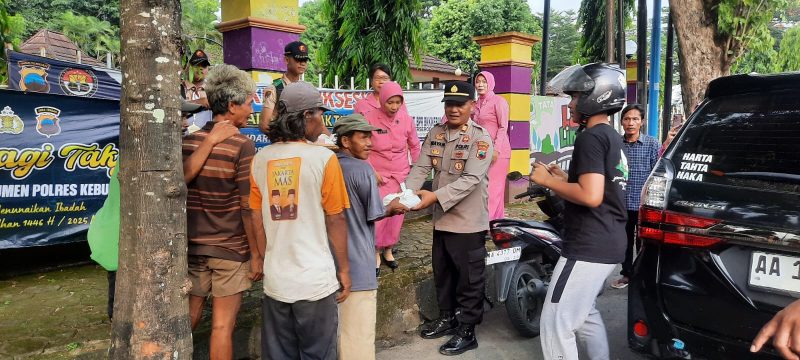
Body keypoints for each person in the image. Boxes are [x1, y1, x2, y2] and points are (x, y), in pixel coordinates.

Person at [87, 100, 240, 321]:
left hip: (123, 236)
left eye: (186, 117)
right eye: (180, 117)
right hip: (121, 240)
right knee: (125, 311)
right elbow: (177, 182)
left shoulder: (145, 146)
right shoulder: (149, 152)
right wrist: (211, 140)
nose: (185, 123)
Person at [529, 63, 628, 360]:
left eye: (574, 97)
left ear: (595, 97)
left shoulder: (590, 137)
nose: (571, 103)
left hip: (588, 246)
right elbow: (601, 187)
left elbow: (591, 196)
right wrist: (563, 179)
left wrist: (546, 181)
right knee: (585, 314)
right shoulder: (611, 136)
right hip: (610, 241)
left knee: (555, 322)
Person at [249, 81, 351, 360]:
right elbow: (336, 219)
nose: (323, 121)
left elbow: (255, 216)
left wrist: (265, 258)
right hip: (315, 282)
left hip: (276, 282)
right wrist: (344, 269)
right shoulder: (324, 159)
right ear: (307, 115)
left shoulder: (260, 159)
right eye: (320, 113)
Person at [406, 81, 493, 356]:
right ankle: (447, 318)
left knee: (469, 279)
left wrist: (433, 197)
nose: (454, 109)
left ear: (472, 105)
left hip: (468, 222)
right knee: (443, 273)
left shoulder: (480, 138)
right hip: (442, 218)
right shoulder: (436, 133)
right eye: (449, 104)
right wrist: (405, 195)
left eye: (460, 104)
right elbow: (421, 167)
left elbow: (470, 180)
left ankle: (467, 330)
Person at [182, 64, 262, 360]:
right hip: (229, 248)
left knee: (187, 319)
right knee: (222, 327)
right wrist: (257, 254)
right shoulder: (242, 145)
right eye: (249, 103)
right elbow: (247, 206)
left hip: (194, 246)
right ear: (231, 106)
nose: (251, 110)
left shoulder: (189, 141)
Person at [332, 114, 409, 360]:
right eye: (363, 138)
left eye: (370, 137)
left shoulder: (329, 165)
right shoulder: (362, 169)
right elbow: (375, 212)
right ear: (345, 141)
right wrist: (392, 207)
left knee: (336, 334)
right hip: (358, 264)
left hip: (329, 263)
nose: (369, 143)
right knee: (358, 338)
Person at [362, 81, 421, 275]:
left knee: (397, 216)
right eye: (390, 102)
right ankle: (375, 252)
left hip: (400, 176)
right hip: (378, 176)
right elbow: (362, 147)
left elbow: (414, 145)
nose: (394, 107)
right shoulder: (369, 118)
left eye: (398, 102)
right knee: (378, 215)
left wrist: (417, 170)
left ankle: (388, 249)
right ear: (382, 100)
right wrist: (371, 171)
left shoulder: (406, 119)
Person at [610, 104, 659, 289]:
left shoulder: (652, 144)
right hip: (621, 202)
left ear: (642, 122)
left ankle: (642, 275)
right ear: (622, 122)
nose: (631, 123)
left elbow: (656, 173)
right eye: (627, 119)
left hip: (643, 204)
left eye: (635, 119)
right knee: (624, 241)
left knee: (643, 241)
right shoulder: (616, 144)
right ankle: (627, 274)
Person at [472, 71, 511, 221]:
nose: (480, 84)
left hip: (498, 153)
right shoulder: (475, 104)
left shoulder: (499, 101)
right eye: (478, 81)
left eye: (484, 82)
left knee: (493, 188)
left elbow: (503, 127)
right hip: (481, 151)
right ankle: (496, 222)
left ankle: (486, 223)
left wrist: (496, 150)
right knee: (483, 188)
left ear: (490, 83)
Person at [182, 49, 213, 131]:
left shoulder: (213, 89)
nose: (200, 69)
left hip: (208, 136)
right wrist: (198, 102)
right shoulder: (179, 88)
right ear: (189, 68)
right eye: (197, 65)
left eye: (204, 66)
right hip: (183, 137)